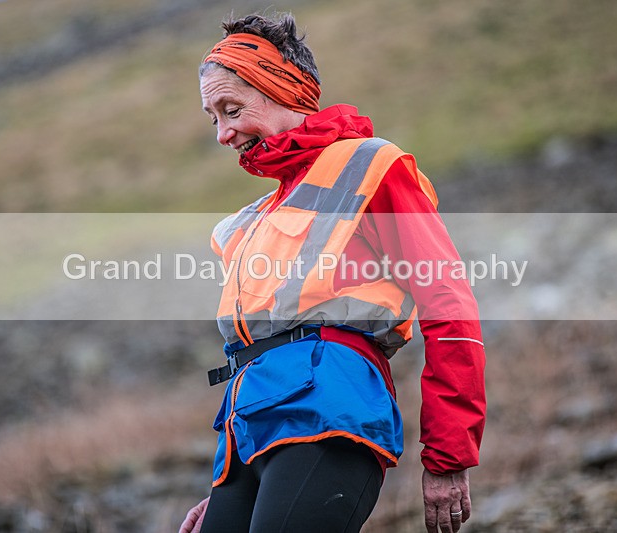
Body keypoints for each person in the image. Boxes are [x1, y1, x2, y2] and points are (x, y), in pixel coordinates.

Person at [181, 12, 486, 533]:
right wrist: (230, 486)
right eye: (213, 118)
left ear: (286, 92)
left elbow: (449, 306)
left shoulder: (372, 166)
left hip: (332, 413)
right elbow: (257, 354)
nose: (223, 134)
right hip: (250, 433)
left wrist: (448, 454)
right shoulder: (250, 221)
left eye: (231, 110)